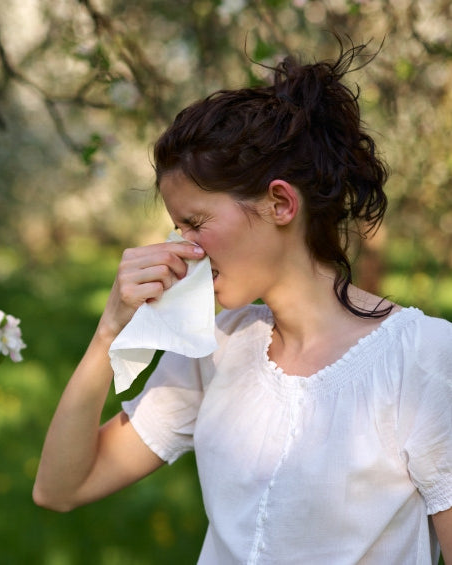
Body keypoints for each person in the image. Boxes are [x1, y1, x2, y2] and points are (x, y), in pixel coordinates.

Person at [33, 39, 452, 564]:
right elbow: (60, 488)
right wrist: (107, 336)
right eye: (177, 225)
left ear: (280, 203)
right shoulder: (216, 345)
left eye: (196, 223)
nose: (181, 246)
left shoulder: (422, 357)